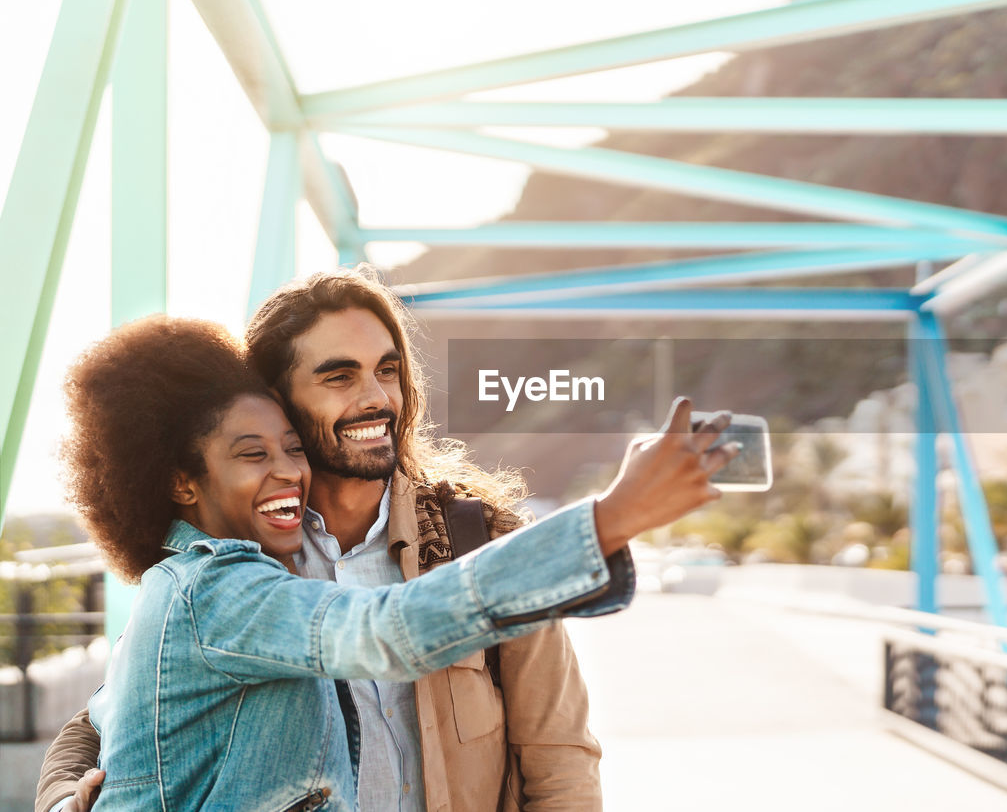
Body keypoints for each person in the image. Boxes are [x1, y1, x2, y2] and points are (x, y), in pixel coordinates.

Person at [38, 271, 738, 812]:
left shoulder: (479, 543)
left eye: (388, 369)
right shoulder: (239, 564)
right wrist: (64, 796)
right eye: (339, 375)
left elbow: (560, 753)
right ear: (281, 398)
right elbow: (108, 718)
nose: (376, 396)